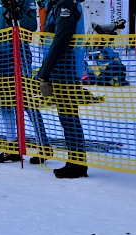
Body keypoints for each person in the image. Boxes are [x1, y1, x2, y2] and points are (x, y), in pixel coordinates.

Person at [0, 0, 51, 164]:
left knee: (26, 100)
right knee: (5, 101)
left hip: (18, 51)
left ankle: (43, 145)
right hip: (0, 52)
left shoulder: (25, 0)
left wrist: (18, 14)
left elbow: (31, 25)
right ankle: (12, 146)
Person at [38, 0, 88, 178]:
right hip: (62, 70)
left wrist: (45, 72)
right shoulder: (57, 5)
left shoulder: (65, 4)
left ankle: (77, 164)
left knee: (69, 118)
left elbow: (62, 38)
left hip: (65, 70)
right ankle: (74, 162)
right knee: (67, 118)